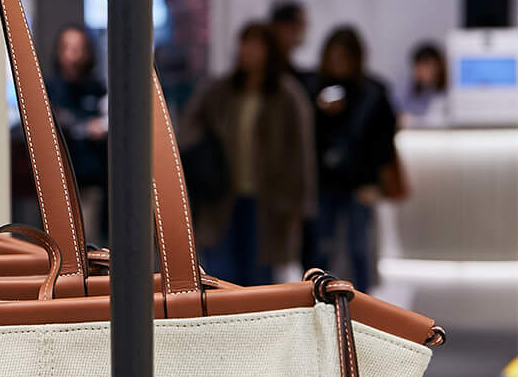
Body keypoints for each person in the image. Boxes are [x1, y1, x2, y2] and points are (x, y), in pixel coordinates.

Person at [183, 20, 314, 287]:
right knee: (221, 276)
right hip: (221, 198)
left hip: (268, 202)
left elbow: (301, 153)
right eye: (246, 43)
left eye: (257, 44)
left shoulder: (287, 95)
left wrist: (300, 204)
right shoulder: (219, 90)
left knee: (259, 279)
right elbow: (188, 130)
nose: (250, 51)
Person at [310, 25, 399, 292]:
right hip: (323, 181)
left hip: (359, 182)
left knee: (359, 246)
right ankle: (320, 301)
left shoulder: (372, 92)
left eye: (344, 58)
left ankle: (361, 305)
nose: (339, 64)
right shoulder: (315, 89)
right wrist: (321, 112)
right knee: (322, 247)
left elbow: (383, 141)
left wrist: (374, 181)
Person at [45, 24, 108, 244]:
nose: (73, 55)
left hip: (90, 178)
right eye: (68, 48)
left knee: (87, 241)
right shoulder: (48, 88)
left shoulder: (97, 88)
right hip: (56, 179)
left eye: (78, 48)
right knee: (57, 241)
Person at [401, 40, 453, 128]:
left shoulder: (448, 94)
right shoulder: (409, 93)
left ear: (440, 66)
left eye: (428, 65)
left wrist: (414, 121)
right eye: (419, 66)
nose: (424, 70)